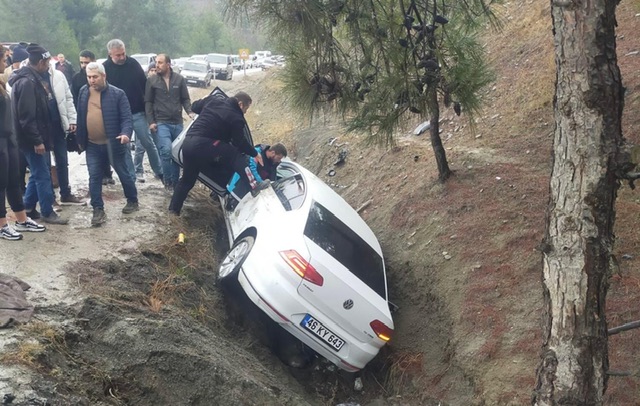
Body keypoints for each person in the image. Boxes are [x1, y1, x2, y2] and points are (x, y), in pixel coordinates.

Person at [168, 91, 267, 216]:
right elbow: (239, 142)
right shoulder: (237, 117)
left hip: (188, 143)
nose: (245, 112)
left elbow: (194, 107)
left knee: (187, 181)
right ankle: (254, 186)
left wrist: (204, 99)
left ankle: (173, 211)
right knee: (236, 155)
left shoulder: (213, 100)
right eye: (246, 108)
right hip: (205, 144)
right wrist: (254, 153)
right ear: (240, 104)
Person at [9, 44, 68, 224]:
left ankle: (27, 207)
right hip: (31, 139)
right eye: (47, 63)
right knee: (42, 175)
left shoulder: (32, 79)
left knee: (36, 174)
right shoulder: (27, 83)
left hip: (34, 137)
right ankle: (47, 212)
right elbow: (27, 117)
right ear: (41, 62)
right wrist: (37, 141)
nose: (49, 66)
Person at [76, 62, 139, 226]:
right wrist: (79, 138)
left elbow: (126, 118)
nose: (92, 80)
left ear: (104, 76)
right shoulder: (83, 92)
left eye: (95, 77)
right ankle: (98, 210)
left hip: (113, 144)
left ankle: (132, 200)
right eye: (89, 77)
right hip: (92, 145)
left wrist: (125, 133)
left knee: (123, 173)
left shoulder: (117, 94)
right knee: (94, 177)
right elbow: (80, 116)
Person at [0, 45, 46, 240]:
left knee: (13, 180)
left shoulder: (2, 83)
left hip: (9, 138)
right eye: (3, 59)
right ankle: (2, 225)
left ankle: (22, 219)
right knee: (1, 182)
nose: (6, 63)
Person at [103, 39, 162, 183]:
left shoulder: (133, 64)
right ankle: (131, 177)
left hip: (137, 112)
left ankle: (160, 172)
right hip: (118, 116)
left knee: (148, 143)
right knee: (125, 147)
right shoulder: (105, 69)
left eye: (123, 53)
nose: (122, 57)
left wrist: (149, 109)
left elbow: (145, 86)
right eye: (118, 55)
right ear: (110, 54)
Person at [145, 54, 194, 190]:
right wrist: (151, 121)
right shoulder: (152, 80)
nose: (157, 65)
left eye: (160, 62)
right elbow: (148, 102)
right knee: (166, 150)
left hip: (177, 122)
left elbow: (185, 99)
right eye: (156, 62)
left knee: (176, 153)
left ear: (168, 64)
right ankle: (168, 182)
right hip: (161, 122)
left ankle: (175, 182)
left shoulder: (179, 79)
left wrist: (190, 111)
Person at [72, 49, 115, 186]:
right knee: (92, 153)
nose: (84, 65)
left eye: (86, 62)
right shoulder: (76, 78)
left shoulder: (101, 76)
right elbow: (74, 97)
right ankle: (96, 178)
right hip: (84, 114)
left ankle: (107, 173)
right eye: (81, 62)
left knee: (105, 148)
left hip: (104, 117)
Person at [226, 143, 287, 211]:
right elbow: (251, 169)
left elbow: (272, 178)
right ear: (273, 153)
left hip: (251, 194)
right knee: (231, 209)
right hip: (237, 187)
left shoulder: (273, 163)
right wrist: (261, 183)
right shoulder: (256, 153)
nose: (279, 161)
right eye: (278, 158)